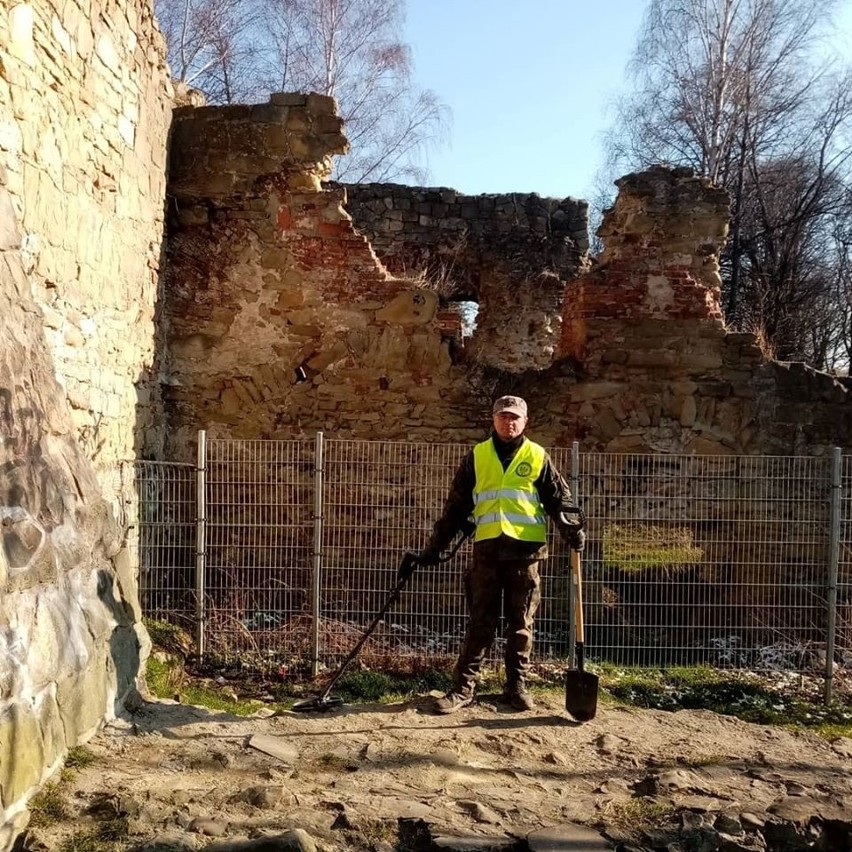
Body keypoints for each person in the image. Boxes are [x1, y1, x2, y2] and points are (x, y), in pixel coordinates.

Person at [408, 395, 585, 714]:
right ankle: (463, 689)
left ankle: (516, 686)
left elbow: (559, 499)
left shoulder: (538, 456)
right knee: (480, 622)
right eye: (503, 416)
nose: (509, 421)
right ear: (493, 419)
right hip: (487, 554)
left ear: (525, 421)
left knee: (521, 625)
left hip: (526, 554)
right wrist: (434, 549)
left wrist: (572, 528)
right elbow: (455, 508)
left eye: (515, 417)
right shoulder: (477, 457)